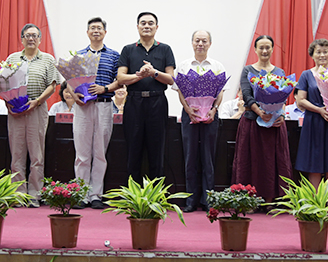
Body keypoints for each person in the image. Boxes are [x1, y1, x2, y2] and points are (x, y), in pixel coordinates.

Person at [231, 35, 292, 203]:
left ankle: (270, 200)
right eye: (261, 48)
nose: (264, 51)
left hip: (274, 125)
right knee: (250, 162)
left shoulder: (279, 72)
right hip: (252, 123)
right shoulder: (247, 70)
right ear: (255, 50)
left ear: (272, 49)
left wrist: (281, 116)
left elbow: (283, 99)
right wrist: (260, 113)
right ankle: (249, 200)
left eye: (268, 47)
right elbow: (247, 95)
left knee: (271, 163)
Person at [68, 17, 120, 210]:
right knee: (81, 153)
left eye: (99, 28)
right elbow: (69, 80)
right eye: (92, 28)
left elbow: (120, 81)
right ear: (87, 32)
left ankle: (96, 195)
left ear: (105, 32)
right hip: (83, 107)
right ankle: (81, 194)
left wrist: (104, 88)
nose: (96, 30)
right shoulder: (78, 55)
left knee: (100, 153)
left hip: (104, 105)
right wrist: (74, 95)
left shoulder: (114, 56)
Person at [5, 24, 59, 208]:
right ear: (22, 39)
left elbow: (52, 85)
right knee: (17, 154)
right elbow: (3, 83)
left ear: (40, 39)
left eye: (34, 36)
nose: (31, 39)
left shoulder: (47, 59)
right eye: (27, 35)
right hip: (16, 111)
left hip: (37, 108)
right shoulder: (12, 58)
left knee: (37, 154)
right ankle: (18, 194)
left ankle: (35, 194)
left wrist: (37, 101)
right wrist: (8, 101)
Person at [117, 12, 175, 183]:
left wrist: (154, 73)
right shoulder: (128, 49)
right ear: (137, 27)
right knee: (133, 150)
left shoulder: (165, 49)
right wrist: (140, 75)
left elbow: (171, 79)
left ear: (156, 27)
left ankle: (156, 194)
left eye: (151, 23)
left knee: (157, 151)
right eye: (143, 23)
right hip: (133, 103)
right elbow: (121, 78)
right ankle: (132, 194)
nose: (147, 26)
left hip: (157, 102)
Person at [174, 30, 226, 212]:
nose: (200, 44)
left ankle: (208, 199)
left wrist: (214, 110)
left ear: (210, 44)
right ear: (192, 43)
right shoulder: (184, 66)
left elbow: (220, 92)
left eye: (204, 41)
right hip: (189, 114)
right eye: (197, 40)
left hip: (211, 114)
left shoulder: (217, 66)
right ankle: (190, 200)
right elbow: (180, 91)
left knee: (208, 157)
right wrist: (188, 109)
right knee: (190, 157)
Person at [295, 38, 328, 189]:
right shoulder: (306, 75)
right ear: (312, 55)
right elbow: (301, 100)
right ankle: (316, 199)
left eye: (325, 51)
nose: (322, 55)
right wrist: (319, 110)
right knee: (314, 163)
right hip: (314, 121)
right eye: (318, 52)